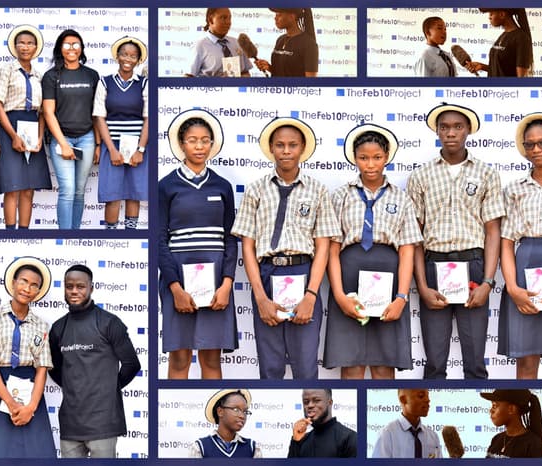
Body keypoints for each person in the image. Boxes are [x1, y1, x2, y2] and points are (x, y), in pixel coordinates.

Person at [231, 117, 340, 379]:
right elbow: (247, 246)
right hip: (267, 275)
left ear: (303, 148)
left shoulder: (317, 190)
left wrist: (311, 296)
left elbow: (323, 246)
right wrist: (260, 298)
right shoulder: (256, 190)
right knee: (270, 367)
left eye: (293, 145)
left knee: (305, 366)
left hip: (304, 275)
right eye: (280, 145)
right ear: (271, 148)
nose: (286, 150)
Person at [407, 103, 504, 379]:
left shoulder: (486, 173)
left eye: (458, 127)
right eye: (444, 127)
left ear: (469, 130)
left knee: (475, 364)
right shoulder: (421, 175)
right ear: (437, 131)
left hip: (473, 266)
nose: (451, 133)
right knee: (434, 364)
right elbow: (415, 237)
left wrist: (487, 282)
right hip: (433, 268)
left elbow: (493, 230)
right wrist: (423, 287)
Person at [323, 123, 422, 379]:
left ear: (387, 157)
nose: (370, 164)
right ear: (354, 158)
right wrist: (339, 295)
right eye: (363, 158)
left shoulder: (401, 198)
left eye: (377, 157)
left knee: (383, 365)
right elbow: (332, 250)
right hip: (349, 281)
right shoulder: (341, 196)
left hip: (388, 283)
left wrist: (401, 297)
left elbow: (407, 251)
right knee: (352, 364)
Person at [158, 109, 238, 379]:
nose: (200, 146)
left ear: (212, 144)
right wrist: (175, 288)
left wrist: (226, 284)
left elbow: (230, 238)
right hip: (177, 279)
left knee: (212, 359)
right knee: (179, 358)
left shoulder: (222, 186)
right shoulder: (166, 186)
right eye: (192, 140)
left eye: (205, 140)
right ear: (181, 144)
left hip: (215, 281)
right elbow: (159, 240)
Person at [497, 113, 542, 379]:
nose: (536, 149)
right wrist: (513, 288)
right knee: (525, 361)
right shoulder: (514, 189)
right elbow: (506, 241)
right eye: (530, 144)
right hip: (524, 270)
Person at [48, 264, 141, 458]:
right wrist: (74, 386)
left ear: (91, 287)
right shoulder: (58, 328)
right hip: (70, 423)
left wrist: (109, 387)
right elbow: (54, 369)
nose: (74, 291)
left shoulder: (109, 322)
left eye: (80, 286)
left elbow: (132, 364)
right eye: (69, 286)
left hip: (103, 423)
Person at [0, 257, 56, 458]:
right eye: (23, 281)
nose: (27, 288)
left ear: (38, 292)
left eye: (34, 285)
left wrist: (31, 408)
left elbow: (42, 368)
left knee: (37, 453)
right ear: (13, 283)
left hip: (30, 394)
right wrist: (10, 403)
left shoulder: (41, 325)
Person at [0, 25, 51, 229]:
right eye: (21, 43)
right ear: (14, 46)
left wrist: (40, 137)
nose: (25, 47)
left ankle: (24, 232)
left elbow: (43, 111)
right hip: (10, 126)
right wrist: (13, 135)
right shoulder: (6, 69)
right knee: (13, 186)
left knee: (28, 188)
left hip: (33, 126)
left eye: (30, 43)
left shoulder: (40, 75)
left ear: (36, 47)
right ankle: (10, 232)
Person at [42, 29, 100, 229]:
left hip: (87, 138)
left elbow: (96, 112)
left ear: (82, 47)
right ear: (60, 48)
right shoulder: (51, 76)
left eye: (76, 44)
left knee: (79, 191)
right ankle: (64, 234)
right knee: (67, 190)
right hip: (61, 139)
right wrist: (63, 143)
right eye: (67, 45)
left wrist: (98, 143)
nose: (72, 48)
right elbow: (48, 112)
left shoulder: (92, 75)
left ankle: (75, 233)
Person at [93, 36, 149, 230]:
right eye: (124, 54)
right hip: (113, 146)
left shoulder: (143, 83)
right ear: (117, 56)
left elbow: (148, 118)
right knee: (112, 196)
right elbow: (100, 117)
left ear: (138, 60)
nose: (128, 58)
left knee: (133, 194)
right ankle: (111, 234)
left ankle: (131, 234)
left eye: (133, 56)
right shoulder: (105, 82)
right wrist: (111, 149)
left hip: (137, 147)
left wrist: (140, 149)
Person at [190, 389, 261, 458]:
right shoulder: (200, 447)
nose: (242, 416)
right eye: (236, 409)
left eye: (245, 412)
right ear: (220, 411)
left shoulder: (252, 448)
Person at [372, 389, 441, 458]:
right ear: (403, 400)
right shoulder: (387, 435)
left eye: (428, 396)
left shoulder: (433, 437)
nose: (427, 400)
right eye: (421, 396)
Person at [288, 389, 357, 457]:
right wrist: (295, 442)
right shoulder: (301, 440)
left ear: (330, 402)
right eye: (306, 402)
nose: (310, 405)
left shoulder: (350, 438)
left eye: (316, 400)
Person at [465, 8, 533, 77]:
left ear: (502, 14)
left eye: (491, 13)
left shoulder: (521, 38)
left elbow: (521, 78)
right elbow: (503, 70)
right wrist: (482, 66)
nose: (489, 17)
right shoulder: (504, 35)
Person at [481, 389, 542, 458]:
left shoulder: (534, 446)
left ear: (511, 409)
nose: (491, 410)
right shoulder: (496, 439)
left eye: (495, 406)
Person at [187, 8, 252, 77]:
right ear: (211, 20)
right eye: (223, 18)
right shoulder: (199, 46)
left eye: (229, 18)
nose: (228, 22)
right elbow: (189, 76)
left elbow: (245, 72)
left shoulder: (237, 43)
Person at [255, 8, 318, 77]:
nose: (275, 18)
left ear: (292, 16)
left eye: (279, 15)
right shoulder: (280, 40)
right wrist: (269, 67)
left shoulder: (309, 44)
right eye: (276, 15)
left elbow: (310, 82)